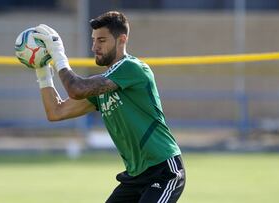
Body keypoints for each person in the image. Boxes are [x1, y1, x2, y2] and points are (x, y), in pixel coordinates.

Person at [32, 11, 185, 203]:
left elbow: (77, 89)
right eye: (94, 40)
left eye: (102, 40)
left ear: (122, 40)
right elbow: (56, 112)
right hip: (135, 177)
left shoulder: (132, 68)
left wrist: (59, 56)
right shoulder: (104, 85)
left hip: (164, 171)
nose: (95, 46)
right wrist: (43, 71)